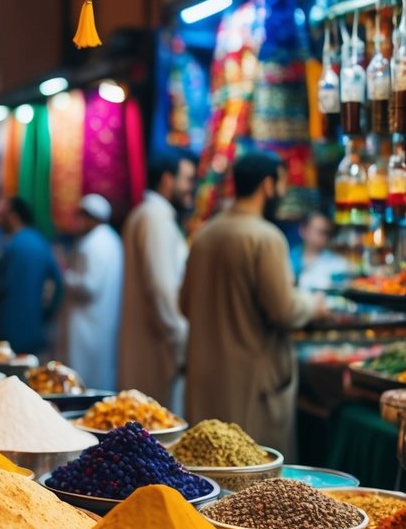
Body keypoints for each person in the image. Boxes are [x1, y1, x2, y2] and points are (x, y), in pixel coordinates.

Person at [180, 152, 327, 459]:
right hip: (252, 387)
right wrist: (312, 305)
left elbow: (184, 304)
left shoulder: (205, 234)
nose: (283, 193)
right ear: (267, 185)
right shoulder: (265, 237)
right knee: (253, 479)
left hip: (206, 381)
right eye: (282, 184)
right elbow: (284, 309)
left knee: (209, 471)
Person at [119, 152, 196, 410]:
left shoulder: (148, 215)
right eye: (187, 180)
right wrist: (182, 344)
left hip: (153, 346)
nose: (191, 189)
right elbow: (162, 289)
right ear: (167, 179)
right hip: (159, 351)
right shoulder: (154, 218)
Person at [58, 194, 124, 390]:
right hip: (101, 319)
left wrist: (64, 275)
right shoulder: (111, 239)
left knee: (83, 377)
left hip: (86, 323)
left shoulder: (93, 244)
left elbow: (89, 287)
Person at [0, 196, 63, 355]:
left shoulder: (9, 246)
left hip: (7, 329)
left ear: (13, 216)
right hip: (35, 329)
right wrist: (46, 313)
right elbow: (58, 283)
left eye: (1, 214)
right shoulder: (41, 242)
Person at [290, 210, 350, 292]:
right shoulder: (288, 258)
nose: (323, 238)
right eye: (319, 232)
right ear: (303, 230)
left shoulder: (338, 265)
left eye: (326, 233)